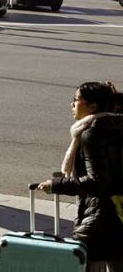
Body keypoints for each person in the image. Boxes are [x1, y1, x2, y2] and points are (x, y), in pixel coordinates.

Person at [37, 82, 123, 272]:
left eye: (76, 100)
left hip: (102, 216)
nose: (72, 104)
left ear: (93, 106)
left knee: (89, 264)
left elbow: (97, 181)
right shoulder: (117, 124)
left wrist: (56, 185)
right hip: (118, 213)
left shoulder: (92, 133)